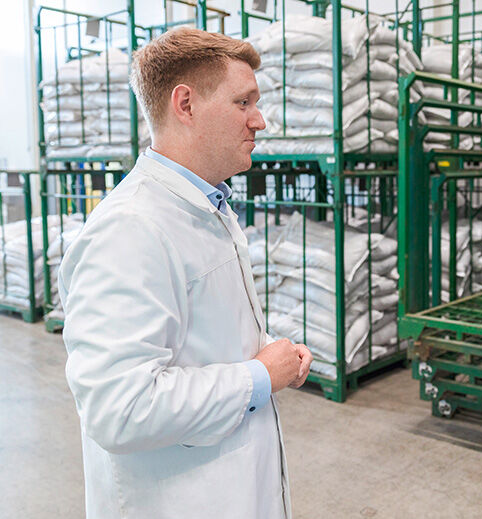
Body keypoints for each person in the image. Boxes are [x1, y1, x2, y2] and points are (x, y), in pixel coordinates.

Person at [58, 27, 312, 519]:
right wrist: (259, 375)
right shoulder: (130, 229)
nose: (259, 120)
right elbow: (120, 409)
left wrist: (268, 351)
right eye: (243, 102)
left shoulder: (205, 207)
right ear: (186, 104)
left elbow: (198, 336)